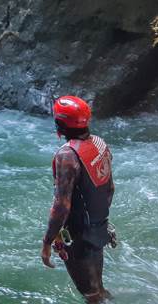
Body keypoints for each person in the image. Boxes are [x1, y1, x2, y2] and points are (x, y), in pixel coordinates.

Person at [40, 95, 115, 302]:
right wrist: (98, 221)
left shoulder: (67, 155)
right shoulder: (99, 144)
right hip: (98, 227)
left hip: (78, 233)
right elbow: (109, 188)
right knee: (97, 289)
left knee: (91, 294)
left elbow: (61, 206)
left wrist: (47, 242)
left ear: (60, 124)